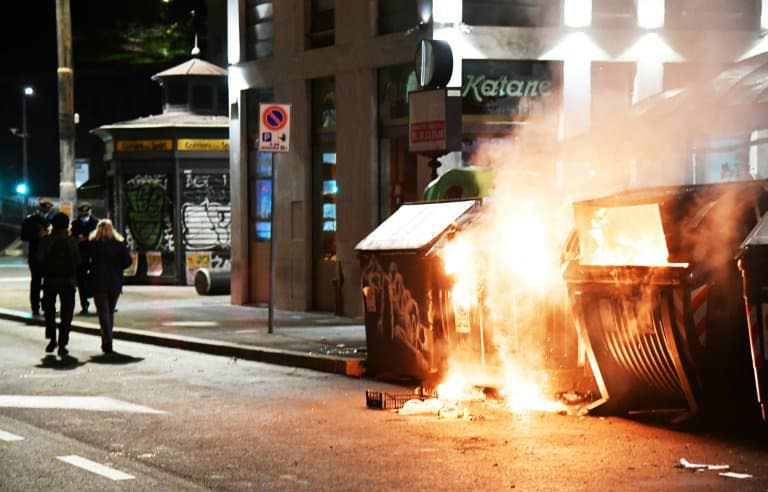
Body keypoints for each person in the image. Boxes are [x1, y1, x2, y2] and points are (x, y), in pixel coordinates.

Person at [85, 219, 132, 354]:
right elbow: (127, 261)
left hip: (98, 281)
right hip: (115, 281)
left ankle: (107, 341)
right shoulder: (119, 243)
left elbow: (86, 260)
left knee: (103, 312)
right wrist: (118, 267)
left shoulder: (94, 243)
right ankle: (108, 339)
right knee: (110, 311)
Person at [37, 212, 80, 357]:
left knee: (49, 312)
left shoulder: (46, 240)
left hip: (50, 281)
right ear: (67, 225)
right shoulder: (72, 241)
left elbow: (39, 260)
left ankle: (52, 338)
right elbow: (78, 261)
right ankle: (63, 343)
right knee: (66, 313)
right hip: (68, 282)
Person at [20, 198, 53, 316]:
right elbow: (23, 236)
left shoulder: (51, 220)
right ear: (40, 207)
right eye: (44, 207)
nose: (46, 210)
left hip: (49, 257)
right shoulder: (30, 220)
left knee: (49, 283)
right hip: (35, 255)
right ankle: (35, 306)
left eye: (48, 208)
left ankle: (46, 305)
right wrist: (37, 235)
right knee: (36, 282)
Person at [70, 202, 98, 314]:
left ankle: (97, 303)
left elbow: (96, 237)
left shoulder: (96, 222)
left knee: (95, 280)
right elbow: (73, 237)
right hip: (80, 256)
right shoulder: (75, 223)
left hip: (93, 255)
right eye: (83, 212)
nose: (85, 213)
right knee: (81, 281)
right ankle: (84, 304)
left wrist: (85, 238)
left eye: (87, 211)